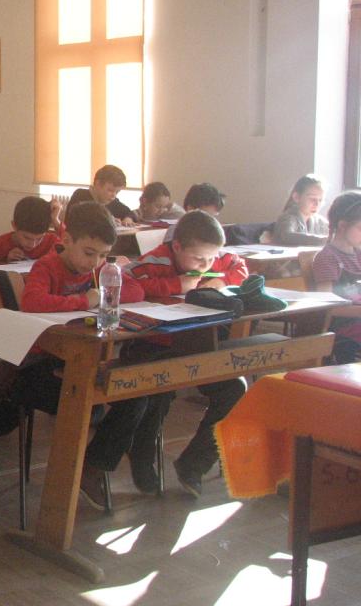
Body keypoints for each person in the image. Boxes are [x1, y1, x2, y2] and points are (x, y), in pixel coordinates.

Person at [19, 201, 148, 510]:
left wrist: (111, 280)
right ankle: (63, 486)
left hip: (83, 362)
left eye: (103, 255)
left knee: (136, 392)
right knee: (85, 395)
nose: (96, 262)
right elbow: (32, 302)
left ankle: (93, 466)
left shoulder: (100, 271)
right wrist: (84, 300)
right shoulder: (47, 267)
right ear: (67, 240)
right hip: (40, 367)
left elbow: (137, 293)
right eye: (89, 253)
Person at [124, 210, 249, 496]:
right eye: (199, 259)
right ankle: (142, 456)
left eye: (211, 259)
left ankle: (193, 463)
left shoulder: (212, 256)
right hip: (154, 346)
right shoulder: (154, 261)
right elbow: (127, 281)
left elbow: (240, 267)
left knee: (235, 388)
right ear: (177, 246)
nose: (206, 266)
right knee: (158, 389)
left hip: (198, 346)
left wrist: (221, 282)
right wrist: (175, 285)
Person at [312, 190, 361, 363]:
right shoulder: (328, 258)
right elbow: (327, 306)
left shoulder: (358, 254)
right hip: (342, 330)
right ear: (342, 225)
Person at [0, 195, 61, 264]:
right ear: (14, 226)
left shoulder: (52, 242)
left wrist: (56, 221)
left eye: (39, 238)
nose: (32, 245)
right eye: (27, 238)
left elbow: (68, 256)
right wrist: (5, 262)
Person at [65, 165, 136, 226]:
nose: (114, 195)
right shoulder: (80, 195)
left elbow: (128, 212)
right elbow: (79, 219)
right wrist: (107, 220)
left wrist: (128, 218)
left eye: (117, 192)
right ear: (98, 184)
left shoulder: (111, 201)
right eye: (110, 190)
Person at [271, 174, 328, 246]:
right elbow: (287, 236)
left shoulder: (321, 222)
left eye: (320, 200)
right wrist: (322, 240)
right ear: (296, 197)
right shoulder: (288, 217)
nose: (317, 204)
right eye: (312, 199)